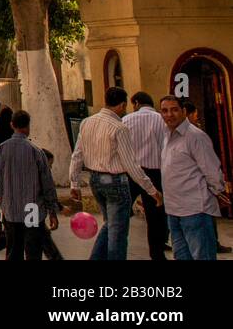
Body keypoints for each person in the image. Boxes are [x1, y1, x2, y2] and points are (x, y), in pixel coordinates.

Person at [69, 86, 162, 261]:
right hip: (115, 181)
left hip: (95, 179)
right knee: (118, 234)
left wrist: (74, 183)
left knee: (111, 225)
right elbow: (131, 164)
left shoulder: (87, 122)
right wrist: (151, 190)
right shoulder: (119, 128)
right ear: (121, 105)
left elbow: (77, 154)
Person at [159, 94, 230, 260]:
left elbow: (212, 170)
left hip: (195, 210)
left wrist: (217, 192)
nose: (169, 114)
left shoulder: (195, 136)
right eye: (165, 111)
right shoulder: (167, 135)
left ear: (183, 111)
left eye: (174, 110)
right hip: (173, 210)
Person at [0, 110, 59, 261]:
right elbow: (47, 185)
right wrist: (52, 211)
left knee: (13, 250)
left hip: (11, 208)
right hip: (32, 209)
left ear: (12, 125)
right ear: (28, 127)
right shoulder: (36, 152)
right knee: (33, 252)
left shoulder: (0, 150)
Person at [122, 91, 169, 260]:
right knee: (156, 215)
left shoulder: (126, 120)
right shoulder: (161, 120)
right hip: (155, 172)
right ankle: (157, 253)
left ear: (136, 103)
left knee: (122, 212)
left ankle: (117, 247)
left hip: (131, 172)